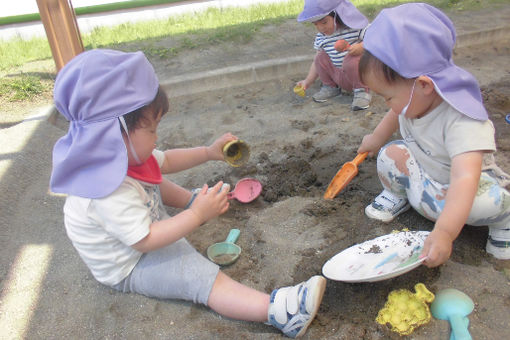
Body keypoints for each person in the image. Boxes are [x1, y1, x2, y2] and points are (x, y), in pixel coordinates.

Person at [49, 49, 326, 338]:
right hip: (130, 264)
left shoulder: (121, 155)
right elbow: (145, 240)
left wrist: (208, 153)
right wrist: (196, 215)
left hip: (139, 231)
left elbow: (166, 161)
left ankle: (190, 202)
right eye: (152, 129)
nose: (157, 136)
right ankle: (280, 312)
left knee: (152, 181)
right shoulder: (106, 192)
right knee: (196, 277)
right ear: (113, 133)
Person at [356, 3, 510, 267]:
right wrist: (376, 138)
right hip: (429, 176)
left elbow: (465, 178)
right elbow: (397, 112)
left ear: (425, 85)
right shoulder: (413, 97)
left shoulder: (462, 120)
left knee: (479, 204)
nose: (387, 103)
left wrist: (445, 232)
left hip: (467, 186)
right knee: (389, 155)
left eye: (388, 96)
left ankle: (504, 223)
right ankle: (401, 196)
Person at [296, 0, 371, 110]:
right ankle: (331, 87)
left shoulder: (355, 28)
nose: (321, 28)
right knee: (320, 57)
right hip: (340, 76)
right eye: (316, 24)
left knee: (350, 60)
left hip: (361, 76)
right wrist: (307, 81)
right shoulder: (321, 37)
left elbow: (376, 37)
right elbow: (317, 64)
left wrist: (362, 46)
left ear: (337, 15)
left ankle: (362, 91)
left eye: (324, 22)